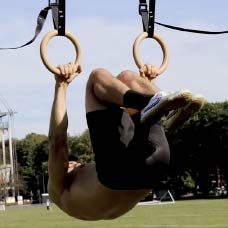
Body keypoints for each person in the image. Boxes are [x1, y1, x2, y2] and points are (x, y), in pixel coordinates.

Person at [47, 63, 205, 221]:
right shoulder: (57, 190)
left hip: (154, 168)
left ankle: (161, 102)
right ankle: (151, 101)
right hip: (122, 171)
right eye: (73, 163)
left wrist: (147, 83)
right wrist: (61, 85)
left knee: (127, 78)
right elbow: (57, 142)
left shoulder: (79, 201)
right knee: (96, 78)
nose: (72, 163)